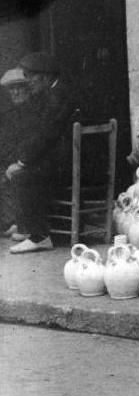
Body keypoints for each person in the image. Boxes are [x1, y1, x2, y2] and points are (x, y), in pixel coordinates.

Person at [5, 52, 75, 253]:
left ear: (44, 77)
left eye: (29, 77)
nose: (27, 82)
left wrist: (23, 162)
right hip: (66, 159)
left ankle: (40, 236)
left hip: (72, 166)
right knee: (20, 168)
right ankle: (27, 227)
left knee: (22, 175)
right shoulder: (53, 92)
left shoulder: (58, 97)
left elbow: (46, 135)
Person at [0, 66, 32, 238]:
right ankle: (11, 222)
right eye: (12, 89)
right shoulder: (9, 114)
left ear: (28, 88)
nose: (16, 92)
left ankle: (18, 222)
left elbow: (33, 142)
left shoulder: (35, 110)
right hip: (11, 157)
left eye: (20, 87)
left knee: (7, 175)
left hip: (28, 158)